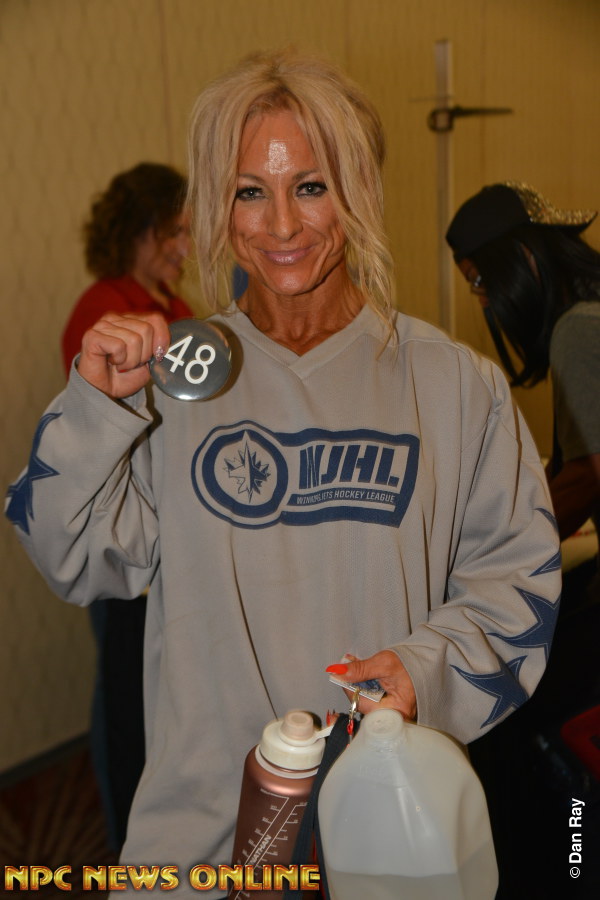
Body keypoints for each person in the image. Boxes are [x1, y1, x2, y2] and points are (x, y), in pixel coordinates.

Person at [6, 53, 560, 898]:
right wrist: (93, 406)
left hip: (381, 836)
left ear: (359, 187)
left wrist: (424, 671)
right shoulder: (174, 381)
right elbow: (70, 557)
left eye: (310, 186)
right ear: (217, 205)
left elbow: (516, 585)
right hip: (200, 846)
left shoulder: (454, 386)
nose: (281, 225)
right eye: (248, 191)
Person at [446, 181, 600, 897]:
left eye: (481, 281)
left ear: (525, 262)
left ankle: (563, 870)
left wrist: (495, 548)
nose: (483, 302)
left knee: (514, 717)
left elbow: (588, 477)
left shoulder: (579, 330)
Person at [62, 162, 194, 854]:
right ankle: (125, 853)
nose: (185, 247)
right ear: (140, 230)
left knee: (160, 700)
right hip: (126, 537)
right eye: (175, 232)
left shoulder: (175, 305)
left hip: (177, 533)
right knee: (124, 707)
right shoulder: (105, 308)